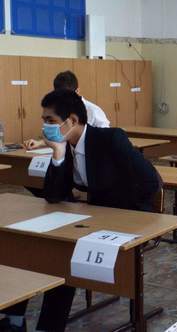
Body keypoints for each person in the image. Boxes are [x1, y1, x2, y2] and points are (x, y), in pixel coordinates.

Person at [0, 89, 161, 332]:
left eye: (50, 120)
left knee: (63, 258)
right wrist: (57, 154)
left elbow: (150, 181)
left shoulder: (111, 139)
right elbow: (53, 196)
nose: (45, 127)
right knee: (31, 247)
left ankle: (47, 327)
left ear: (72, 120)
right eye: (44, 120)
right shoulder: (65, 144)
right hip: (88, 219)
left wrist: (116, 213)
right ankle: (13, 320)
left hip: (124, 218)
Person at [24, 70, 110, 150]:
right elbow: (61, 135)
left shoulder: (93, 110)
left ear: (77, 91)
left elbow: (105, 138)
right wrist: (40, 143)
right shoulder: (59, 110)